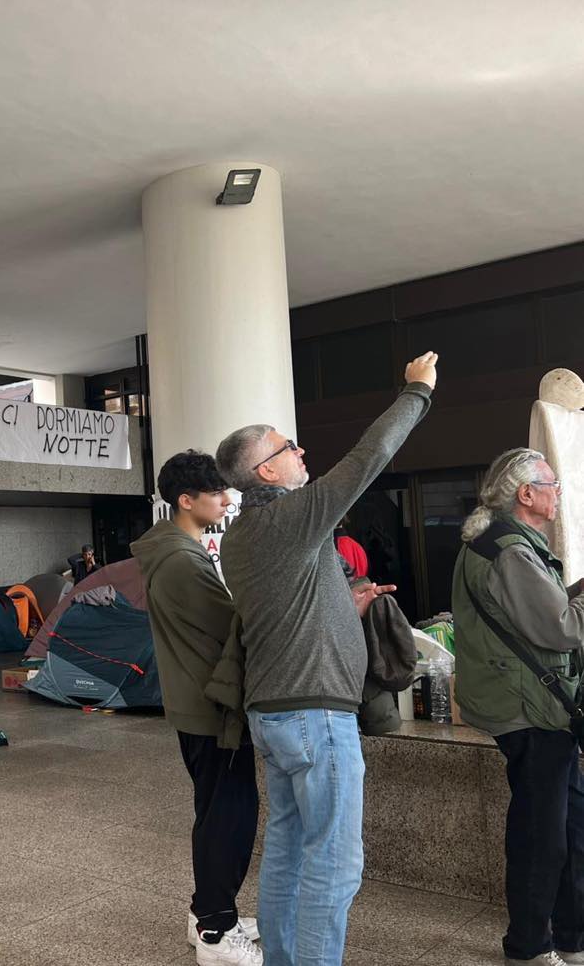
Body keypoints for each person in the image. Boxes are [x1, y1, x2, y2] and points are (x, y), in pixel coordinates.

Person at [214, 350, 438, 966]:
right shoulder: (291, 516)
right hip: (315, 717)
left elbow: (292, 599)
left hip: (275, 715)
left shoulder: (244, 534)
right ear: (265, 471)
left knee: (289, 851)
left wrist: (348, 602)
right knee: (336, 867)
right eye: (289, 447)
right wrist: (415, 392)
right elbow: (368, 461)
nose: (302, 453)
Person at [452, 448, 584, 966]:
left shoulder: (507, 543)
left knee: (570, 822)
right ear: (526, 494)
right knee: (541, 833)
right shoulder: (509, 549)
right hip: (530, 710)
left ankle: (573, 938)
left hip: (535, 704)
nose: (558, 493)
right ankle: (528, 948)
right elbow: (562, 628)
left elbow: (543, 609)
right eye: (552, 484)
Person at [131, 451, 262, 965]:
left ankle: (210, 911)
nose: (227, 500)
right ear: (187, 501)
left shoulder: (175, 551)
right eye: (218, 493)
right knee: (229, 814)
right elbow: (234, 626)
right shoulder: (182, 560)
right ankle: (214, 931)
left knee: (219, 808)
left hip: (197, 700)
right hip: (211, 706)